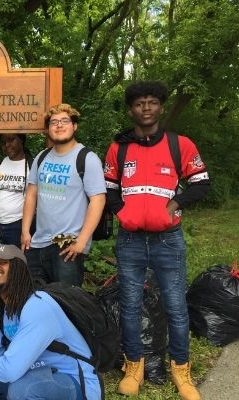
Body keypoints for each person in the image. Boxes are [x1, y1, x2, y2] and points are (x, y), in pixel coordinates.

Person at [104, 81, 209, 399]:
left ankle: (181, 370)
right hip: (130, 241)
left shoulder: (181, 145)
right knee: (131, 306)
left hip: (168, 240)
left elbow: (200, 183)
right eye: (139, 103)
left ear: (160, 107)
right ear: (131, 109)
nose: (145, 108)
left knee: (177, 307)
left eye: (151, 102)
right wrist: (122, 213)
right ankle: (133, 366)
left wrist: (173, 206)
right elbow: (108, 186)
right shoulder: (118, 148)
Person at [0, 244, 100, 399]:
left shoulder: (38, 306)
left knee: (23, 390)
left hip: (73, 381)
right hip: (36, 373)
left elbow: (10, 370)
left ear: (19, 269)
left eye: (2, 262)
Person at [21, 103, 106, 286]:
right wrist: (25, 231)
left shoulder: (87, 158)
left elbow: (98, 200)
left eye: (64, 121)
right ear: (48, 129)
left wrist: (82, 241)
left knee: (67, 303)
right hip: (37, 244)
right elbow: (31, 194)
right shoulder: (41, 157)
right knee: (35, 298)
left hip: (68, 246)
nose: (59, 125)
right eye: (54, 122)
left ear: (74, 126)